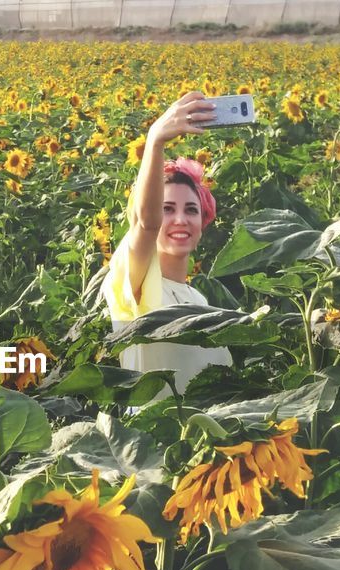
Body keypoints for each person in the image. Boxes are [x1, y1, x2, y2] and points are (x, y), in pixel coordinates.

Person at [102, 91, 233, 398]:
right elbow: (146, 225)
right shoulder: (134, 281)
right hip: (151, 440)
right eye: (167, 208)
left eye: (191, 210)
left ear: (204, 222)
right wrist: (155, 141)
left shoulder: (201, 300)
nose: (179, 220)